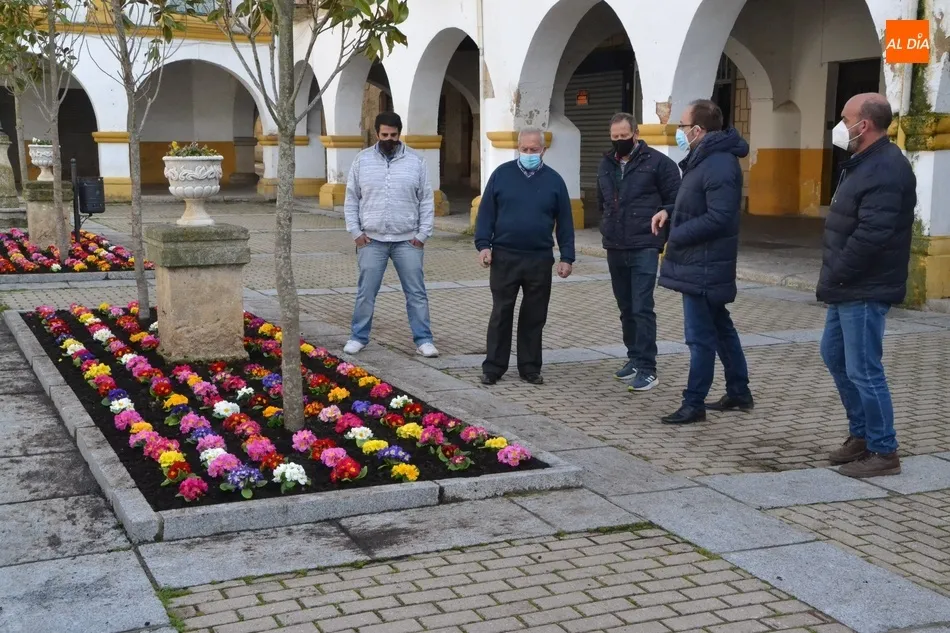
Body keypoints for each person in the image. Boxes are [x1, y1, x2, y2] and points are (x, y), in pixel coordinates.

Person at [818, 93, 915, 478]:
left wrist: (837, 274)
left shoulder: (886, 168)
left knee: (864, 369)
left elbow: (872, 235)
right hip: (848, 284)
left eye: (845, 118)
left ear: (865, 124)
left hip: (863, 285)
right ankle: (861, 433)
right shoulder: (862, 163)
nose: (840, 126)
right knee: (835, 356)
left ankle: (883, 449)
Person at [651, 99, 753, 425]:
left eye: (682, 126)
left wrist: (678, 232)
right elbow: (695, 202)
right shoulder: (703, 159)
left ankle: (693, 403)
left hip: (704, 264)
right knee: (721, 328)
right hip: (700, 262)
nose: (679, 132)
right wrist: (671, 212)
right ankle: (739, 391)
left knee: (700, 338)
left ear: (698, 130)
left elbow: (720, 217)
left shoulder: (719, 163)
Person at [474, 126, 575, 386]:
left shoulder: (554, 181)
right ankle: (494, 367)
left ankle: (530, 367)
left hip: (539, 258)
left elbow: (565, 221)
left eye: (534, 149)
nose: (529, 153)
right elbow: (486, 213)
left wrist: (567, 257)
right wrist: (483, 245)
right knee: (501, 313)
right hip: (505, 257)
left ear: (544, 150)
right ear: (518, 147)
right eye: (524, 149)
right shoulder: (501, 175)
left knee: (534, 315)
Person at [342, 111, 439, 358]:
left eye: (393, 135)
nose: (389, 139)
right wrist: (355, 232)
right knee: (366, 292)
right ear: (376, 134)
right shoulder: (361, 161)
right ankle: (358, 337)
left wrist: (423, 235)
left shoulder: (416, 162)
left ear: (399, 134)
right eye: (384, 134)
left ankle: (424, 339)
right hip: (371, 240)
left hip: (408, 240)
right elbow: (352, 198)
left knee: (416, 292)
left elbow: (426, 200)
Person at [598, 112, 681, 392]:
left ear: (635, 133)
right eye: (615, 137)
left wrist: (665, 212)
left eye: (624, 136)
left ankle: (648, 367)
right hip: (615, 244)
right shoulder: (606, 163)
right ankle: (633, 357)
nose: (620, 141)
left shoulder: (658, 163)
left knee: (642, 306)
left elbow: (677, 199)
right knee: (625, 307)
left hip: (645, 243)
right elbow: (603, 201)